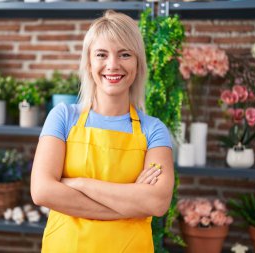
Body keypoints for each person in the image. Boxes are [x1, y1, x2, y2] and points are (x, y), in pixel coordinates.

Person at [31, 10, 174, 253]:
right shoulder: (63, 117)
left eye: (125, 54)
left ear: (138, 63)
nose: (113, 65)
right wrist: (131, 203)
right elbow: (42, 190)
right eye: (101, 54)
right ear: (89, 62)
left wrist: (78, 184)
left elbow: (157, 202)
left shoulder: (154, 130)